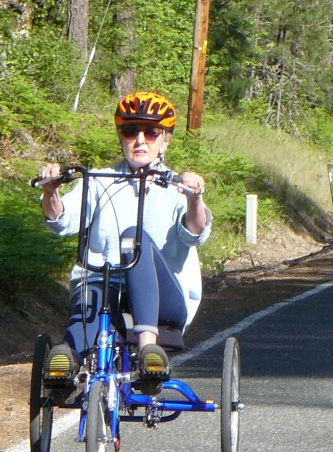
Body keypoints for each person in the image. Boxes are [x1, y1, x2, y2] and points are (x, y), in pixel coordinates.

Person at [36, 91, 211, 392]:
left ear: (165, 139)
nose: (140, 140)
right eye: (131, 131)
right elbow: (61, 221)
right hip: (106, 289)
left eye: (151, 132)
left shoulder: (176, 186)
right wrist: (51, 191)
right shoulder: (99, 181)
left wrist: (195, 198)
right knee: (90, 288)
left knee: (134, 239)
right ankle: (69, 357)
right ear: (121, 136)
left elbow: (194, 232)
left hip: (164, 299)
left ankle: (147, 350)